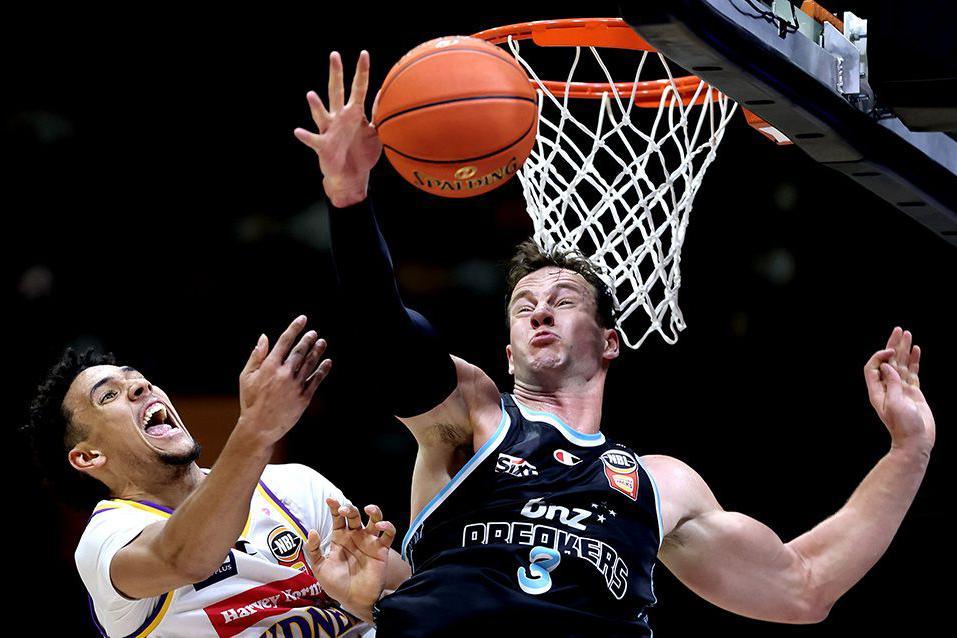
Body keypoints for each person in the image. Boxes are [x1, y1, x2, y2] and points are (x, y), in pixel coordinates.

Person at [293, 51, 937, 636]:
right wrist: (349, 201)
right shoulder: (475, 419)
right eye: (524, 306)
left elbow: (802, 587)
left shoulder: (665, 485)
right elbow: (390, 335)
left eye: (563, 300)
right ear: (510, 352)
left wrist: (909, 450)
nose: (540, 309)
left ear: (609, 343)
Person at [24, 316, 409, 637]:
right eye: (109, 396)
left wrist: (372, 603)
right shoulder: (105, 540)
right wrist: (255, 429)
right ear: (88, 456)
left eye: (137, 379)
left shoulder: (294, 485)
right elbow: (184, 559)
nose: (141, 386)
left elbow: (415, 594)